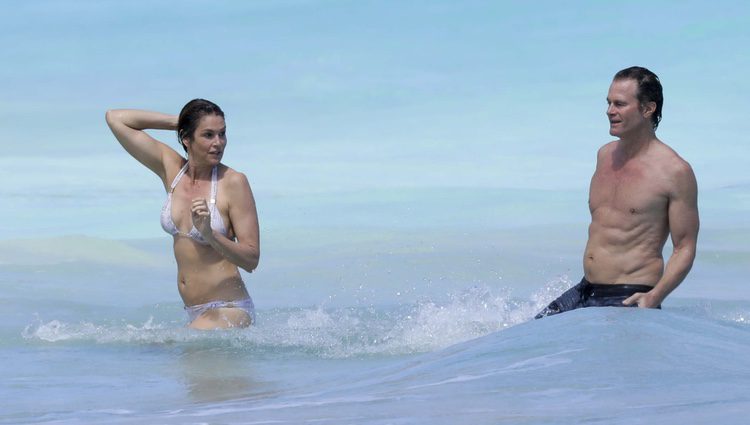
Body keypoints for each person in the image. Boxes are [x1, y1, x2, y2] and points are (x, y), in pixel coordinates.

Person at [536, 66, 699, 318]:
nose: (610, 111)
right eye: (609, 102)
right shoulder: (605, 155)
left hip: (628, 295)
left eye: (620, 104)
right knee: (529, 338)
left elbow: (685, 247)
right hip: (584, 290)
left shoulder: (674, 171)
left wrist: (654, 297)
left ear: (648, 109)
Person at [105, 99, 260, 329]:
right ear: (187, 139)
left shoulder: (234, 182)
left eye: (222, 134)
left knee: (166, 350)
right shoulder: (173, 170)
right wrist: (181, 123)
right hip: (195, 314)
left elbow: (251, 259)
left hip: (229, 309)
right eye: (208, 135)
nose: (218, 143)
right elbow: (116, 118)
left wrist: (210, 234)